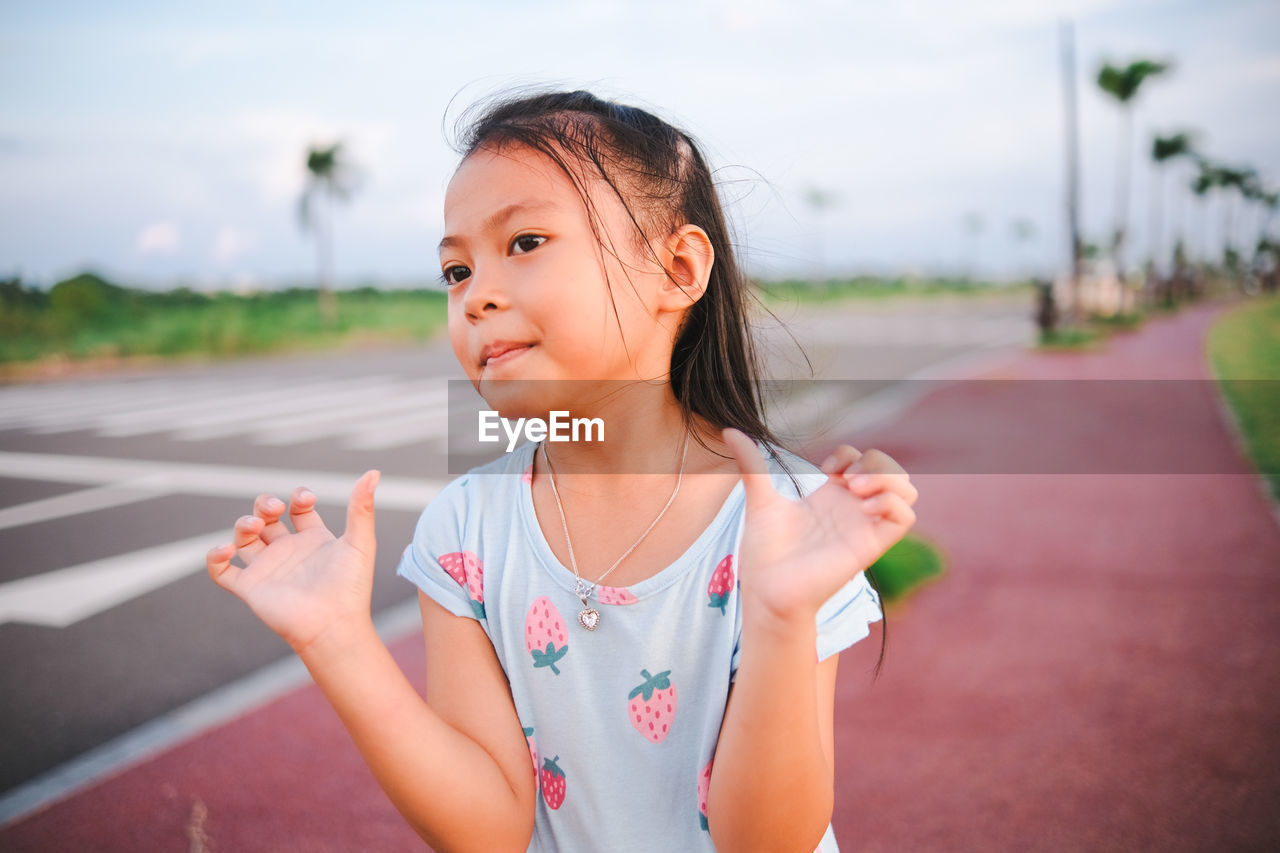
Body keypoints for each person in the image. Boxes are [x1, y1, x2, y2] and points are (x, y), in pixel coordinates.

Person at [206, 89, 918, 853]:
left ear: (677, 269)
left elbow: (767, 841)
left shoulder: (783, 520)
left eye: (525, 242)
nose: (476, 295)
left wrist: (781, 618)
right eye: (455, 270)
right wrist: (336, 639)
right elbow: (488, 829)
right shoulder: (468, 526)